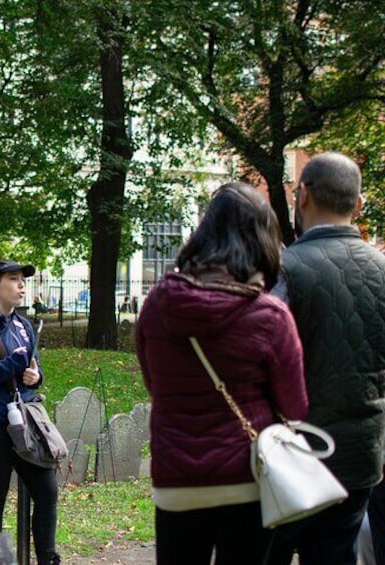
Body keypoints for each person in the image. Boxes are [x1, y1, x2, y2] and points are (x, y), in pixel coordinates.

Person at [136, 182, 308, 565]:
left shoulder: (159, 303)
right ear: (265, 239)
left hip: (176, 477)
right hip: (246, 478)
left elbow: (155, 384)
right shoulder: (270, 315)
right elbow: (295, 407)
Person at [267, 152, 385, 565]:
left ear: (301, 198)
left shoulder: (284, 269)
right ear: (358, 204)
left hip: (292, 452)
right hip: (361, 452)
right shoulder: (382, 269)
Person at [0, 260, 60, 564]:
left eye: (22, 280)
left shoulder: (24, 326)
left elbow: (33, 365)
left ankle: (47, 559)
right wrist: (10, 365)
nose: (21, 286)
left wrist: (35, 376)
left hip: (26, 423)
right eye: (14, 279)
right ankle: (0, 560)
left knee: (47, 492)